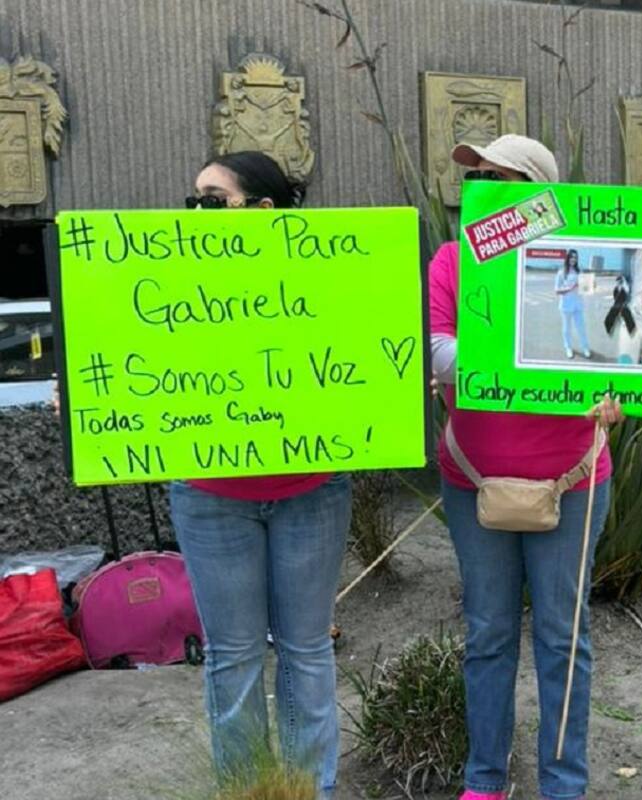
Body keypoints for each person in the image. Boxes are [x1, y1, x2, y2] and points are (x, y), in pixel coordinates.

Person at [429, 133, 623, 800]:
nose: (480, 187)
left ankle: (563, 785)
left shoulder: (586, 260)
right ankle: (484, 781)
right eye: (473, 176)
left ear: (541, 196)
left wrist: (618, 391)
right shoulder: (452, 262)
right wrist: (519, 349)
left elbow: (624, 349)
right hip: (473, 477)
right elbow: (438, 355)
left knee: (564, 640)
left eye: (499, 177)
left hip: (571, 479)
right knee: (487, 634)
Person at [173, 152, 350, 799]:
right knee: (234, 659)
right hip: (211, 496)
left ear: (264, 210)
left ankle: (312, 792)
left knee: (306, 651)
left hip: (311, 491)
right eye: (192, 200)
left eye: (212, 200)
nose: (196, 212)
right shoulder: (171, 276)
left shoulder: (331, 274)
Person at [555, 248, 591, 359]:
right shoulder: (561, 272)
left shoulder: (580, 272)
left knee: (581, 328)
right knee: (567, 328)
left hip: (578, 305)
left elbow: (586, 289)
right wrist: (570, 288)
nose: (573, 259)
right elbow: (557, 290)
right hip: (566, 305)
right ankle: (568, 348)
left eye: (575, 258)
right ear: (567, 258)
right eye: (571, 257)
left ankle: (585, 347)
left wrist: (589, 286)